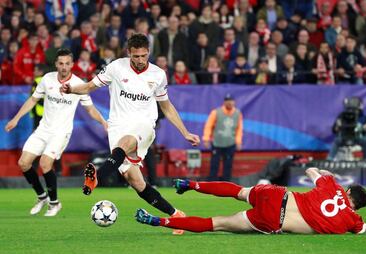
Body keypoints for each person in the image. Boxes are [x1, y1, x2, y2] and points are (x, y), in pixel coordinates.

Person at [59, 34, 200, 235]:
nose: (141, 60)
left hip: (144, 125)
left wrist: (185, 132)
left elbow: (167, 107)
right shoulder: (116, 68)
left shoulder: (158, 74)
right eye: (136, 56)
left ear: (148, 52)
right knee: (136, 182)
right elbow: (89, 86)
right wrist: (71, 89)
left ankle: (98, 177)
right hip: (118, 125)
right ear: (129, 53)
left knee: (126, 143)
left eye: (144, 55)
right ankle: (176, 214)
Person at [136, 167, 366, 234]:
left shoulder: (332, 185)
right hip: (274, 220)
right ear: (357, 205)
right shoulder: (352, 221)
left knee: (237, 191)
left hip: (277, 195)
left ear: (348, 193)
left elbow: (311, 172)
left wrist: (327, 174)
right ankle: (158, 220)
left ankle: (191, 184)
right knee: (215, 223)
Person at [4, 48, 107, 216]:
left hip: (61, 132)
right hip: (43, 129)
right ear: (56, 64)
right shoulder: (47, 79)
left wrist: (103, 122)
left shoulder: (79, 84)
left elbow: (90, 109)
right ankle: (42, 196)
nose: (64, 67)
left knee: (45, 163)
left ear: (72, 64)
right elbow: (33, 99)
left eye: (67, 63)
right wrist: (16, 119)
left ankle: (54, 203)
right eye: (61, 63)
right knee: (23, 163)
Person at [203, 94, 243, 181]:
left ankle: (226, 183)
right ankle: (211, 183)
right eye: (228, 101)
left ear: (234, 102)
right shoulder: (216, 112)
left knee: (228, 166)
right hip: (217, 143)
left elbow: (239, 129)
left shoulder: (237, 113)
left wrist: (238, 142)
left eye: (231, 100)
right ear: (224, 102)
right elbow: (208, 126)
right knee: (214, 165)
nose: (230, 103)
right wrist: (206, 139)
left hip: (230, 143)